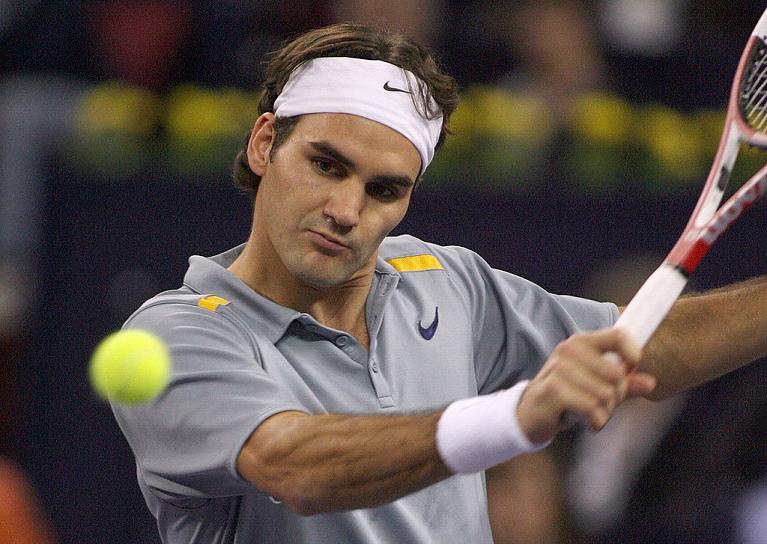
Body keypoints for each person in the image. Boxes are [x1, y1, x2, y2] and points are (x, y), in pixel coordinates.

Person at [110, 23, 767, 543]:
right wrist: (512, 416)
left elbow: (640, 345)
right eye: (325, 165)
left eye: (384, 189)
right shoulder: (177, 332)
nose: (345, 209)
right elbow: (295, 466)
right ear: (262, 145)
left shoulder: (443, 282)